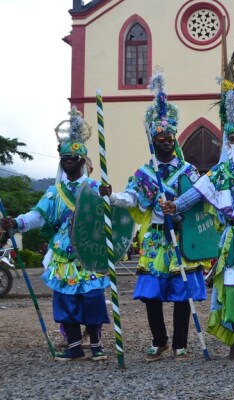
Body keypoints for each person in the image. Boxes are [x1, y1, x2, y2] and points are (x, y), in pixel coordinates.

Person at [162, 81, 234, 361]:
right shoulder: (221, 171)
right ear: (228, 143)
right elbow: (198, 192)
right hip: (233, 239)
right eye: (233, 139)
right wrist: (175, 204)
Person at [101, 73, 206, 362]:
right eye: (159, 139)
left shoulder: (188, 171)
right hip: (157, 236)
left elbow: (199, 196)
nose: (165, 142)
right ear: (153, 141)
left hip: (182, 235)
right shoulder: (144, 174)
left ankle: (181, 344)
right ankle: (159, 341)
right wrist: (111, 195)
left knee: (182, 291)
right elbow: (131, 199)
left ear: (175, 138)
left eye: (169, 138)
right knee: (151, 292)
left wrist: (180, 208)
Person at [1, 108, 110, 361]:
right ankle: (73, 346)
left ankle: (96, 344)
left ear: (83, 161)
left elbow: (111, 216)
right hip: (63, 254)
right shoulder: (54, 192)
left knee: (93, 297)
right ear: (61, 161)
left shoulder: (96, 188)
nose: (69, 160)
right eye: (65, 157)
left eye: (74, 156)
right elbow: (37, 216)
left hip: (89, 252)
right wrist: (16, 222)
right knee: (65, 299)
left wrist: (110, 198)